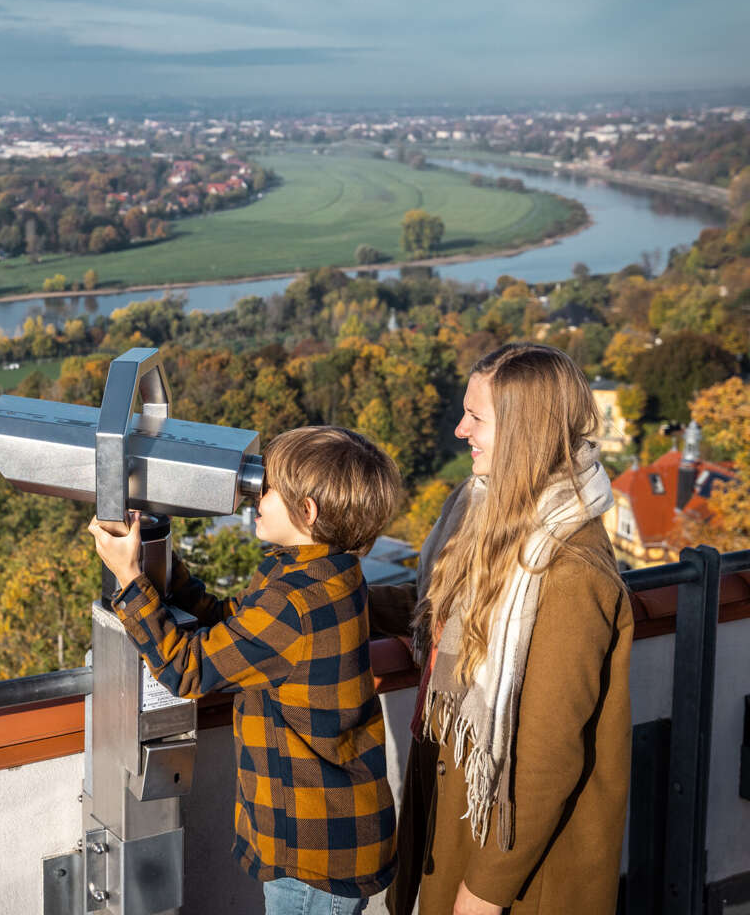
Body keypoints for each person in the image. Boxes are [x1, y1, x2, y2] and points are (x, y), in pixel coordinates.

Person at [90, 425, 402, 915]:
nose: (253, 492)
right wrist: (161, 566)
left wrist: (129, 580)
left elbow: (186, 669)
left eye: (268, 486)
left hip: (312, 858)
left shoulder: (294, 602)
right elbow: (233, 626)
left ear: (308, 511)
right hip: (333, 836)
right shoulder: (324, 572)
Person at [369, 342, 633, 915]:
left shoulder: (569, 572)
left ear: (524, 431)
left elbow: (548, 757)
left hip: (514, 865)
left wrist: (484, 894)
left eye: (477, 417)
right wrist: (336, 605)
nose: (461, 429)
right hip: (459, 808)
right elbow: (436, 608)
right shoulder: (484, 513)